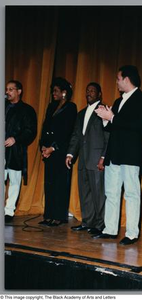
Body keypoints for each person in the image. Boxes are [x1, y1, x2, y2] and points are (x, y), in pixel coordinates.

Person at [94, 65, 142, 245]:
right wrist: (106, 119)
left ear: (126, 79)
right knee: (111, 192)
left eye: (118, 78)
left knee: (131, 194)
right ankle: (110, 229)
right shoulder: (118, 101)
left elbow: (139, 125)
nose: (117, 82)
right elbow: (114, 129)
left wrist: (112, 117)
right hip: (115, 154)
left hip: (131, 154)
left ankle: (131, 233)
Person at [66, 82, 109, 235]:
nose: (89, 93)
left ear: (99, 94)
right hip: (83, 159)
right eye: (87, 91)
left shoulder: (104, 111)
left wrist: (104, 156)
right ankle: (87, 222)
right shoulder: (81, 113)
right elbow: (76, 136)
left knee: (98, 193)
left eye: (92, 91)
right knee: (85, 192)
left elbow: (107, 136)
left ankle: (100, 225)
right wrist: (70, 154)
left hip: (96, 159)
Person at [39, 77, 77, 226]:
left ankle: (59, 216)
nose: (53, 93)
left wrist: (53, 147)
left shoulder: (71, 107)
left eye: (55, 91)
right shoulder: (51, 107)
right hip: (48, 152)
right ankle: (48, 215)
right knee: (49, 184)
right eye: (52, 91)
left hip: (60, 152)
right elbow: (45, 127)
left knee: (61, 184)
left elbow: (67, 131)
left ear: (64, 92)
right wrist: (43, 146)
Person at [5, 80, 37, 222]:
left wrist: (15, 139)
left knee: (14, 181)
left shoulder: (27, 110)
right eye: (7, 89)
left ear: (19, 91)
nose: (8, 92)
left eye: (11, 89)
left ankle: (8, 212)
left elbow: (30, 131)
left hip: (15, 151)